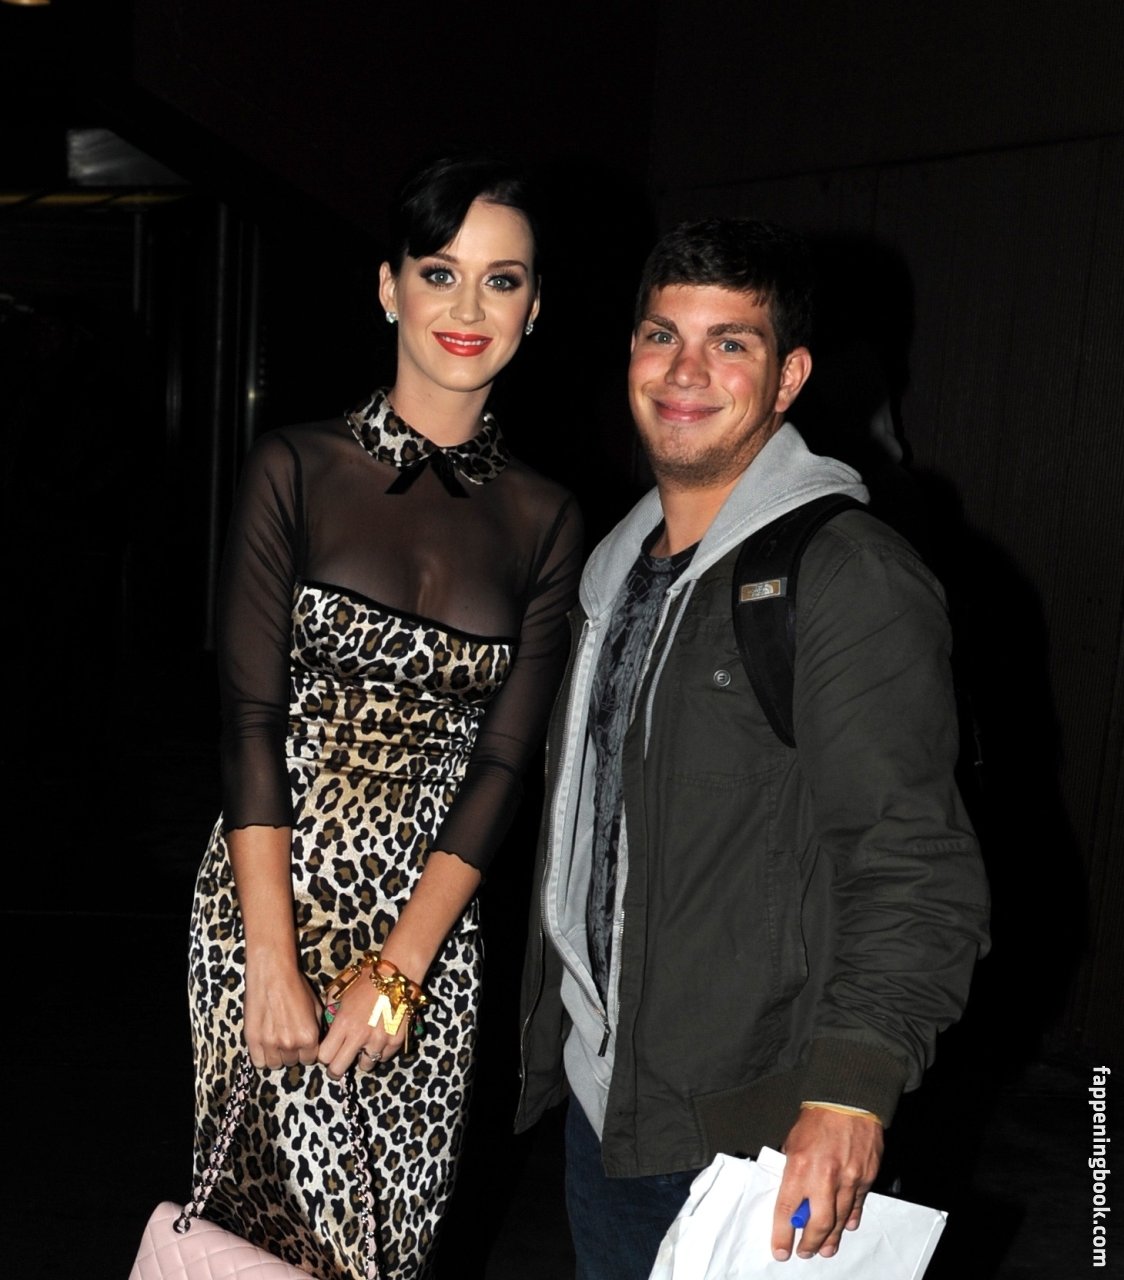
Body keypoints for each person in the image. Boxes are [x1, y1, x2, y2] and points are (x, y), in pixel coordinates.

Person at [516, 217, 989, 1278]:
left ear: (788, 378)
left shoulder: (845, 574)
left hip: (753, 1138)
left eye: (729, 343)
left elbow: (913, 863)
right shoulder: (614, 569)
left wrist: (850, 1093)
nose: (685, 371)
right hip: (608, 1110)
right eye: (661, 335)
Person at [188, 155, 583, 1280]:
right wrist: (271, 956)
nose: (469, 308)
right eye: (439, 272)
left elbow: (505, 761)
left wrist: (402, 969)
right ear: (387, 286)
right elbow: (249, 718)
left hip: (429, 926)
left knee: (388, 1245)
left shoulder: (548, 517)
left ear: (534, 308)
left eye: (502, 280)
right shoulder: (295, 467)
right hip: (268, 895)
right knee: (264, 1237)